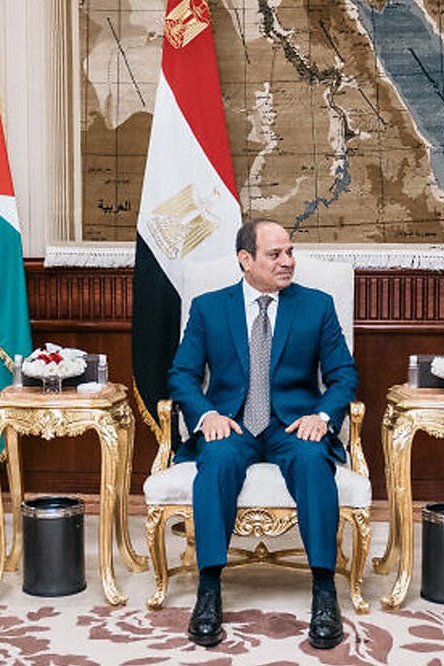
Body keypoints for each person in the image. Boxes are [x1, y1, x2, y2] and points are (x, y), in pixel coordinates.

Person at [168, 219, 358, 649]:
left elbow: (343, 376)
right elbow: (182, 375)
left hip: (292, 423)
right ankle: (209, 589)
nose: (288, 261)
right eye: (276, 254)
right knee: (214, 461)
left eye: (290, 251)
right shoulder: (208, 307)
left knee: (313, 462)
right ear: (245, 260)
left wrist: (323, 416)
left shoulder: (316, 305)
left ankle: (324, 591)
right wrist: (206, 415)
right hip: (232, 421)